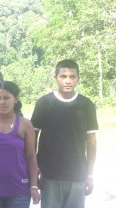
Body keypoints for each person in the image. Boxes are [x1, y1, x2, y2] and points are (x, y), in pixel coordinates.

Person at [31, 59, 98, 208]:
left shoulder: (86, 105)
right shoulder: (44, 103)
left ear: (78, 79)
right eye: (63, 76)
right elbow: (32, 138)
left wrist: (90, 174)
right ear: (56, 78)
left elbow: (91, 142)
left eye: (72, 76)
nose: (68, 81)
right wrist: (34, 169)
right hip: (49, 174)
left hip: (77, 174)